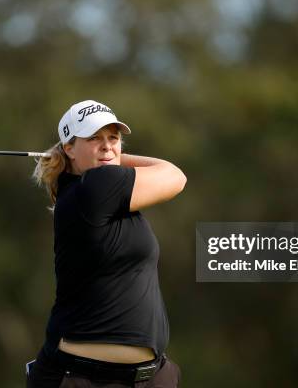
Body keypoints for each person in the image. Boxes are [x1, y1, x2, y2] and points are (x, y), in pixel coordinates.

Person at [27, 99, 186, 387]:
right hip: (84, 378)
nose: (107, 145)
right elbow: (175, 176)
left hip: (148, 377)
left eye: (113, 138)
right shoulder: (96, 188)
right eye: (94, 138)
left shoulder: (95, 192)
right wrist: (116, 158)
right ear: (69, 148)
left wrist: (105, 155)